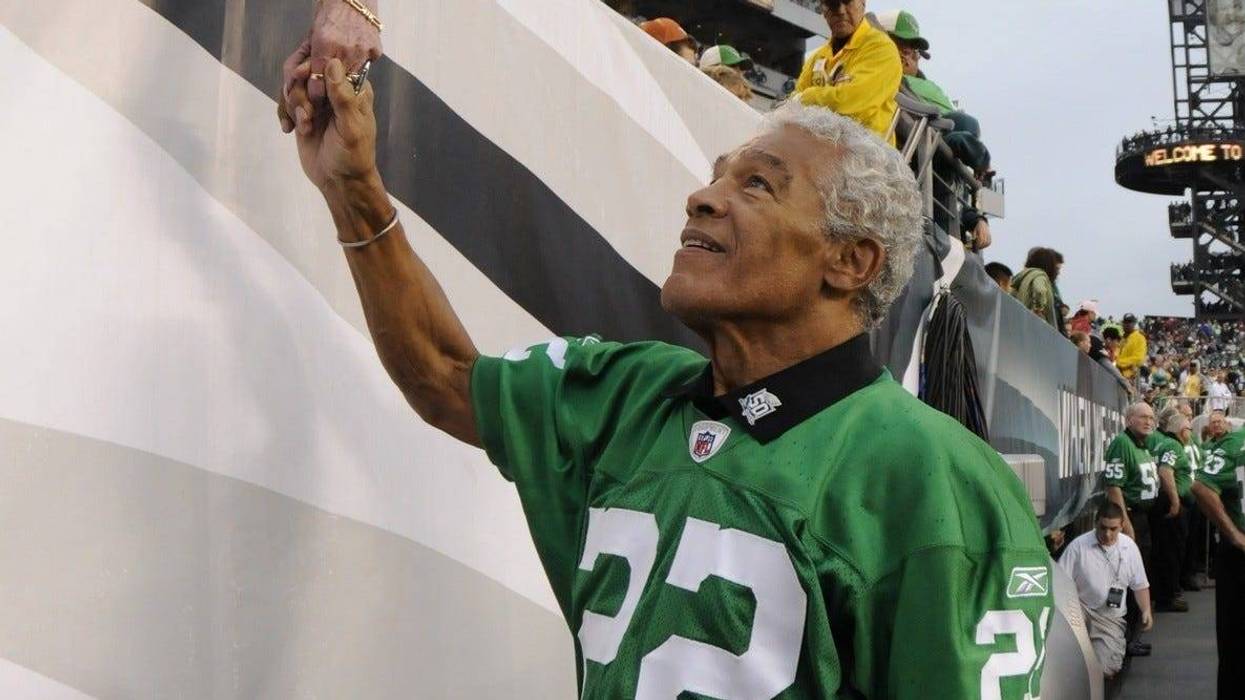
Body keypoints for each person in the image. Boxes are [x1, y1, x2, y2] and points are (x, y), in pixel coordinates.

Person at [276, 57, 1052, 696]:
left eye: (756, 185)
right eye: (717, 175)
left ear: (848, 261)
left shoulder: (933, 480)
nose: (703, 196)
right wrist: (352, 189)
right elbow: (445, 377)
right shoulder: (630, 391)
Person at [1057, 501, 1152, 679]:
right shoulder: (1078, 546)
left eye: (1113, 529)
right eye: (1103, 528)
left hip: (1110, 617)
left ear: (1122, 526)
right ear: (1096, 523)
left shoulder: (1129, 548)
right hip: (1080, 609)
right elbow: (1060, 582)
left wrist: (1146, 610)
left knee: (1106, 669)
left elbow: (1139, 584)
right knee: (1066, 664)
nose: (1107, 534)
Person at [794, 1, 902, 144]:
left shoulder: (882, 48)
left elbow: (854, 104)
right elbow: (794, 106)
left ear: (863, 4)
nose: (841, 11)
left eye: (847, 2)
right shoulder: (818, 57)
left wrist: (808, 96)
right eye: (833, 4)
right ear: (823, 9)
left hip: (865, 155)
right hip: (819, 148)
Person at [1193, 409, 1245, 698]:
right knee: (1236, 646)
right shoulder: (1234, 443)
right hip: (1238, 560)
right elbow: (1200, 486)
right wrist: (1235, 535)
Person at [1148, 406, 1191, 612]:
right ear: (1182, 430)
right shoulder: (1173, 446)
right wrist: (1175, 501)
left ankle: (1165, 592)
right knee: (1171, 551)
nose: (1191, 432)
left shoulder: (1167, 444)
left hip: (1168, 501)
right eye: (1189, 428)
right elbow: (1165, 471)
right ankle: (1168, 595)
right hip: (1171, 504)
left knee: (1168, 549)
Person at [1011, 247, 1062, 330]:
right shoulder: (1040, 275)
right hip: (1033, 326)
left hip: (1020, 321)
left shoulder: (1024, 277)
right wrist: (1039, 309)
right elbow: (1040, 290)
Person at [1116, 313, 1147, 380]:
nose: (1127, 325)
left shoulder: (1140, 338)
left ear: (1134, 324)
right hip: (1117, 375)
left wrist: (1119, 363)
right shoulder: (1121, 338)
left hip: (1130, 377)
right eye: (1125, 322)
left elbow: (1139, 358)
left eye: (1129, 322)